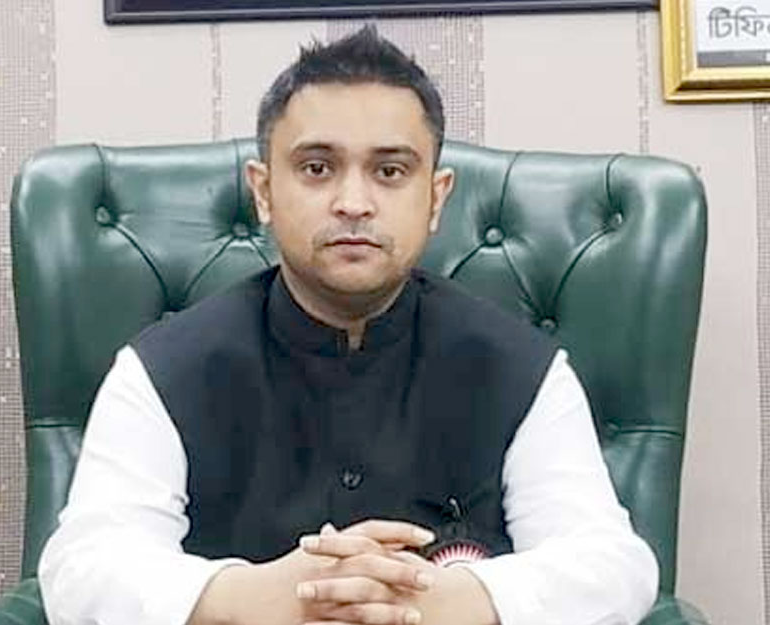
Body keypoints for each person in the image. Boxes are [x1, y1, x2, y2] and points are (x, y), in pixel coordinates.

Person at [38, 26, 658, 625]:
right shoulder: (163, 371)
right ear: (262, 191)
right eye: (316, 168)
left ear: (436, 197)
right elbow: (82, 569)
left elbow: (612, 566)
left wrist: (449, 601)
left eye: (390, 171)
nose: (353, 203)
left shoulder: (522, 369)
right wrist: (250, 597)